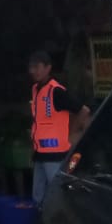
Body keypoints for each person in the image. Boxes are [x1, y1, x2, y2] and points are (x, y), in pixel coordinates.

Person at [29, 50, 90, 203]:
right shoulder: (36, 89)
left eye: (38, 67)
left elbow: (83, 111)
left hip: (55, 153)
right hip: (40, 153)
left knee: (56, 194)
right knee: (38, 196)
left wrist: (72, 131)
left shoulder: (56, 91)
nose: (34, 71)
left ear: (48, 68)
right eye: (32, 67)